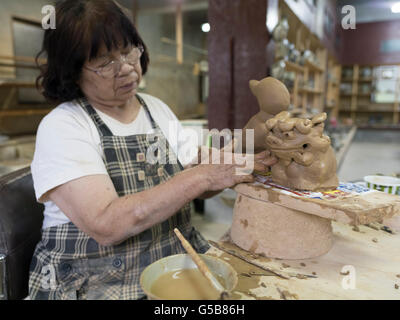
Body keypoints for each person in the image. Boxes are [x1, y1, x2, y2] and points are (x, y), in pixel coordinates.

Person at [28, 0, 277, 300]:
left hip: (169, 260)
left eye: (129, 50)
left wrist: (231, 165)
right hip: (94, 279)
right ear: (72, 70)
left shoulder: (155, 109)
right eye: (106, 61)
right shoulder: (64, 126)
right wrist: (202, 177)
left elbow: (201, 183)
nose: (127, 68)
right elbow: (106, 224)